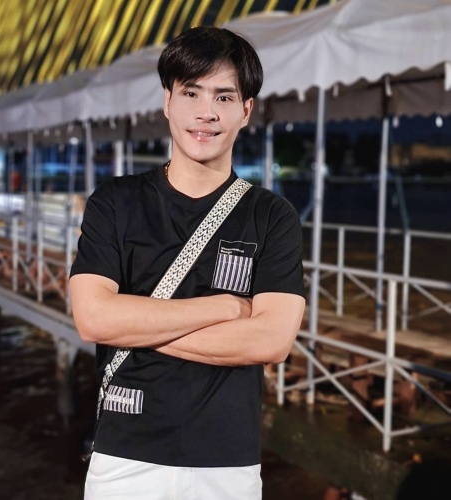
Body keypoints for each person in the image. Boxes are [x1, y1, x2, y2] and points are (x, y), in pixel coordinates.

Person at [69, 26, 306, 500]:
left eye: (224, 97)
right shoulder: (115, 202)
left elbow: (272, 340)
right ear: (168, 102)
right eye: (191, 93)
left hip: (228, 465)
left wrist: (132, 322)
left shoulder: (271, 216)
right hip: (124, 458)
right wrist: (223, 307)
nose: (206, 112)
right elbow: (93, 318)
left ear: (246, 110)